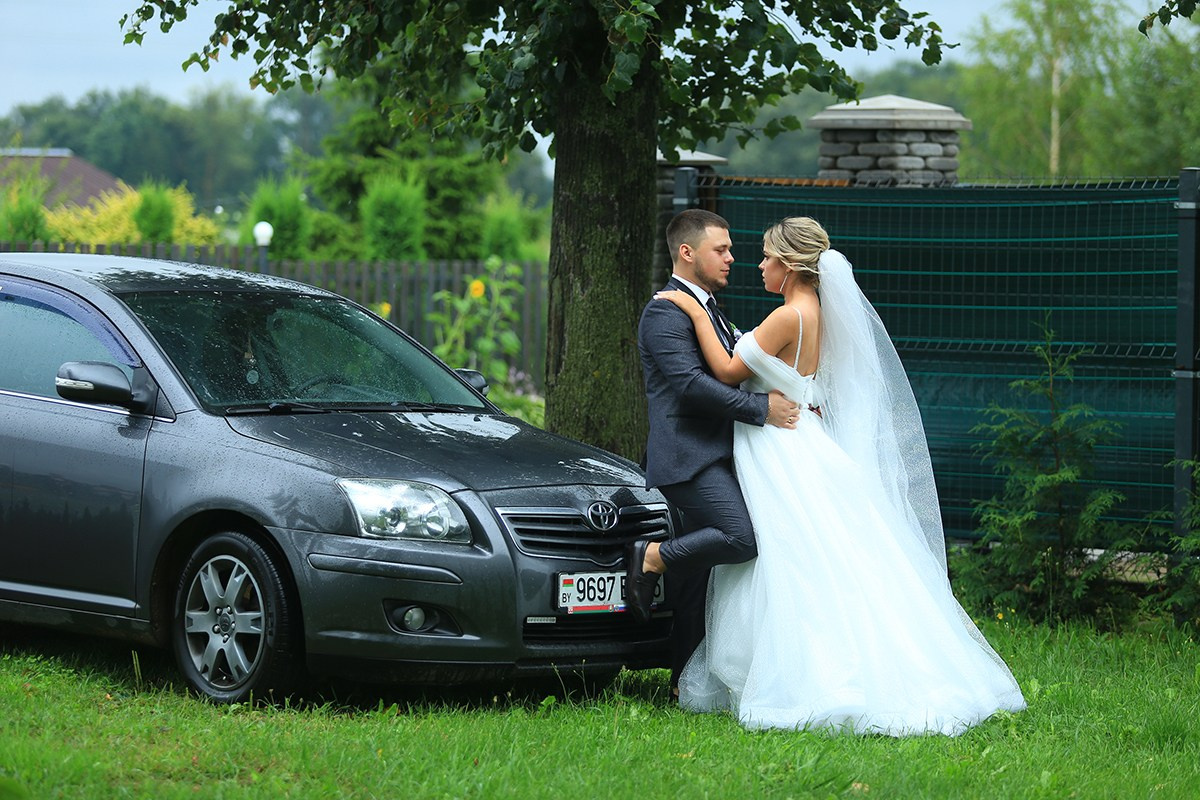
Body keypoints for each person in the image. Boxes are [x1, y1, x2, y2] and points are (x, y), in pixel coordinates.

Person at [655, 216, 1026, 735]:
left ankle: (800, 673)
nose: (758, 265)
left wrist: (692, 311)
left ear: (788, 265)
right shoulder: (816, 314)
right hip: (798, 435)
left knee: (790, 554)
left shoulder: (788, 316)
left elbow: (725, 371)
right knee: (812, 550)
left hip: (776, 446)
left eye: (765, 257)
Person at [632, 209, 800, 698]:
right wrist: (761, 409)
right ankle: (650, 557)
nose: (731, 258)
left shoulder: (708, 308)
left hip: (718, 453)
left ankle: (685, 684)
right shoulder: (665, 311)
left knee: (697, 579)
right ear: (687, 253)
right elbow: (690, 387)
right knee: (740, 537)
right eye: (720, 250)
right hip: (689, 457)